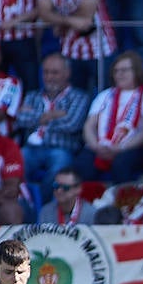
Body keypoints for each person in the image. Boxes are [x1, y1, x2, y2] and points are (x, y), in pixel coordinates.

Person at [15, 53, 90, 204]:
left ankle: (44, 206)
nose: (49, 77)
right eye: (46, 72)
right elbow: (20, 119)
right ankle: (24, 205)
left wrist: (37, 117)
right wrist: (53, 115)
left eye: (54, 72)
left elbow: (72, 124)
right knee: (17, 162)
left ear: (67, 73)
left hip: (62, 149)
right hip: (31, 149)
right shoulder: (32, 96)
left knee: (59, 165)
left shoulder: (79, 97)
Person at [78, 51, 143, 182]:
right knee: (82, 164)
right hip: (100, 146)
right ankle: (90, 201)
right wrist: (95, 146)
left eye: (124, 70)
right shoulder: (105, 95)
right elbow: (89, 125)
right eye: (116, 71)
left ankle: (119, 201)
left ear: (136, 71)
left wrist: (120, 148)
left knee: (121, 164)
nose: (119, 74)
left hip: (131, 148)